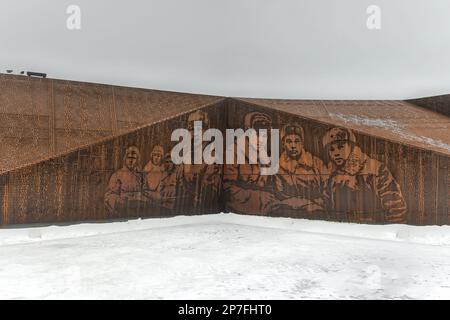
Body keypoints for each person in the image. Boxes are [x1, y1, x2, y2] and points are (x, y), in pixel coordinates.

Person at [323, 127, 407, 223]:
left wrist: (389, 233)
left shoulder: (374, 170)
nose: (336, 153)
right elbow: (327, 205)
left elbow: (395, 205)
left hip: (372, 231)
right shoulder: (331, 175)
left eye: (341, 147)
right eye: (331, 149)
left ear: (351, 147)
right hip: (342, 232)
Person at [223, 111, 277, 215]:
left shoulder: (263, 155)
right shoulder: (233, 152)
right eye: (256, 134)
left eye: (264, 136)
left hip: (264, 208)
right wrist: (258, 196)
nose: (260, 140)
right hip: (239, 210)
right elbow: (227, 188)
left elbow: (270, 183)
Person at [271, 123, 328, 217]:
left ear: (302, 143)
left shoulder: (317, 163)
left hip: (316, 211)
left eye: (297, 141)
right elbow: (277, 194)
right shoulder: (277, 166)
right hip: (287, 213)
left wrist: (314, 204)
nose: (293, 145)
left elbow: (327, 192)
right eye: (289, 141)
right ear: (283, 143)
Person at [104, 146, 147, 216]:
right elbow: (108, 196)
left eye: (133, 158)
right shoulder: (117, 175)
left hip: (137, 212)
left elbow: (146, 193)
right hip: (121, 212)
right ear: (125, 159)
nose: (131, 160)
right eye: (129, 158)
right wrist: (118, 201)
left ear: (137, 160)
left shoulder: (141, 176)